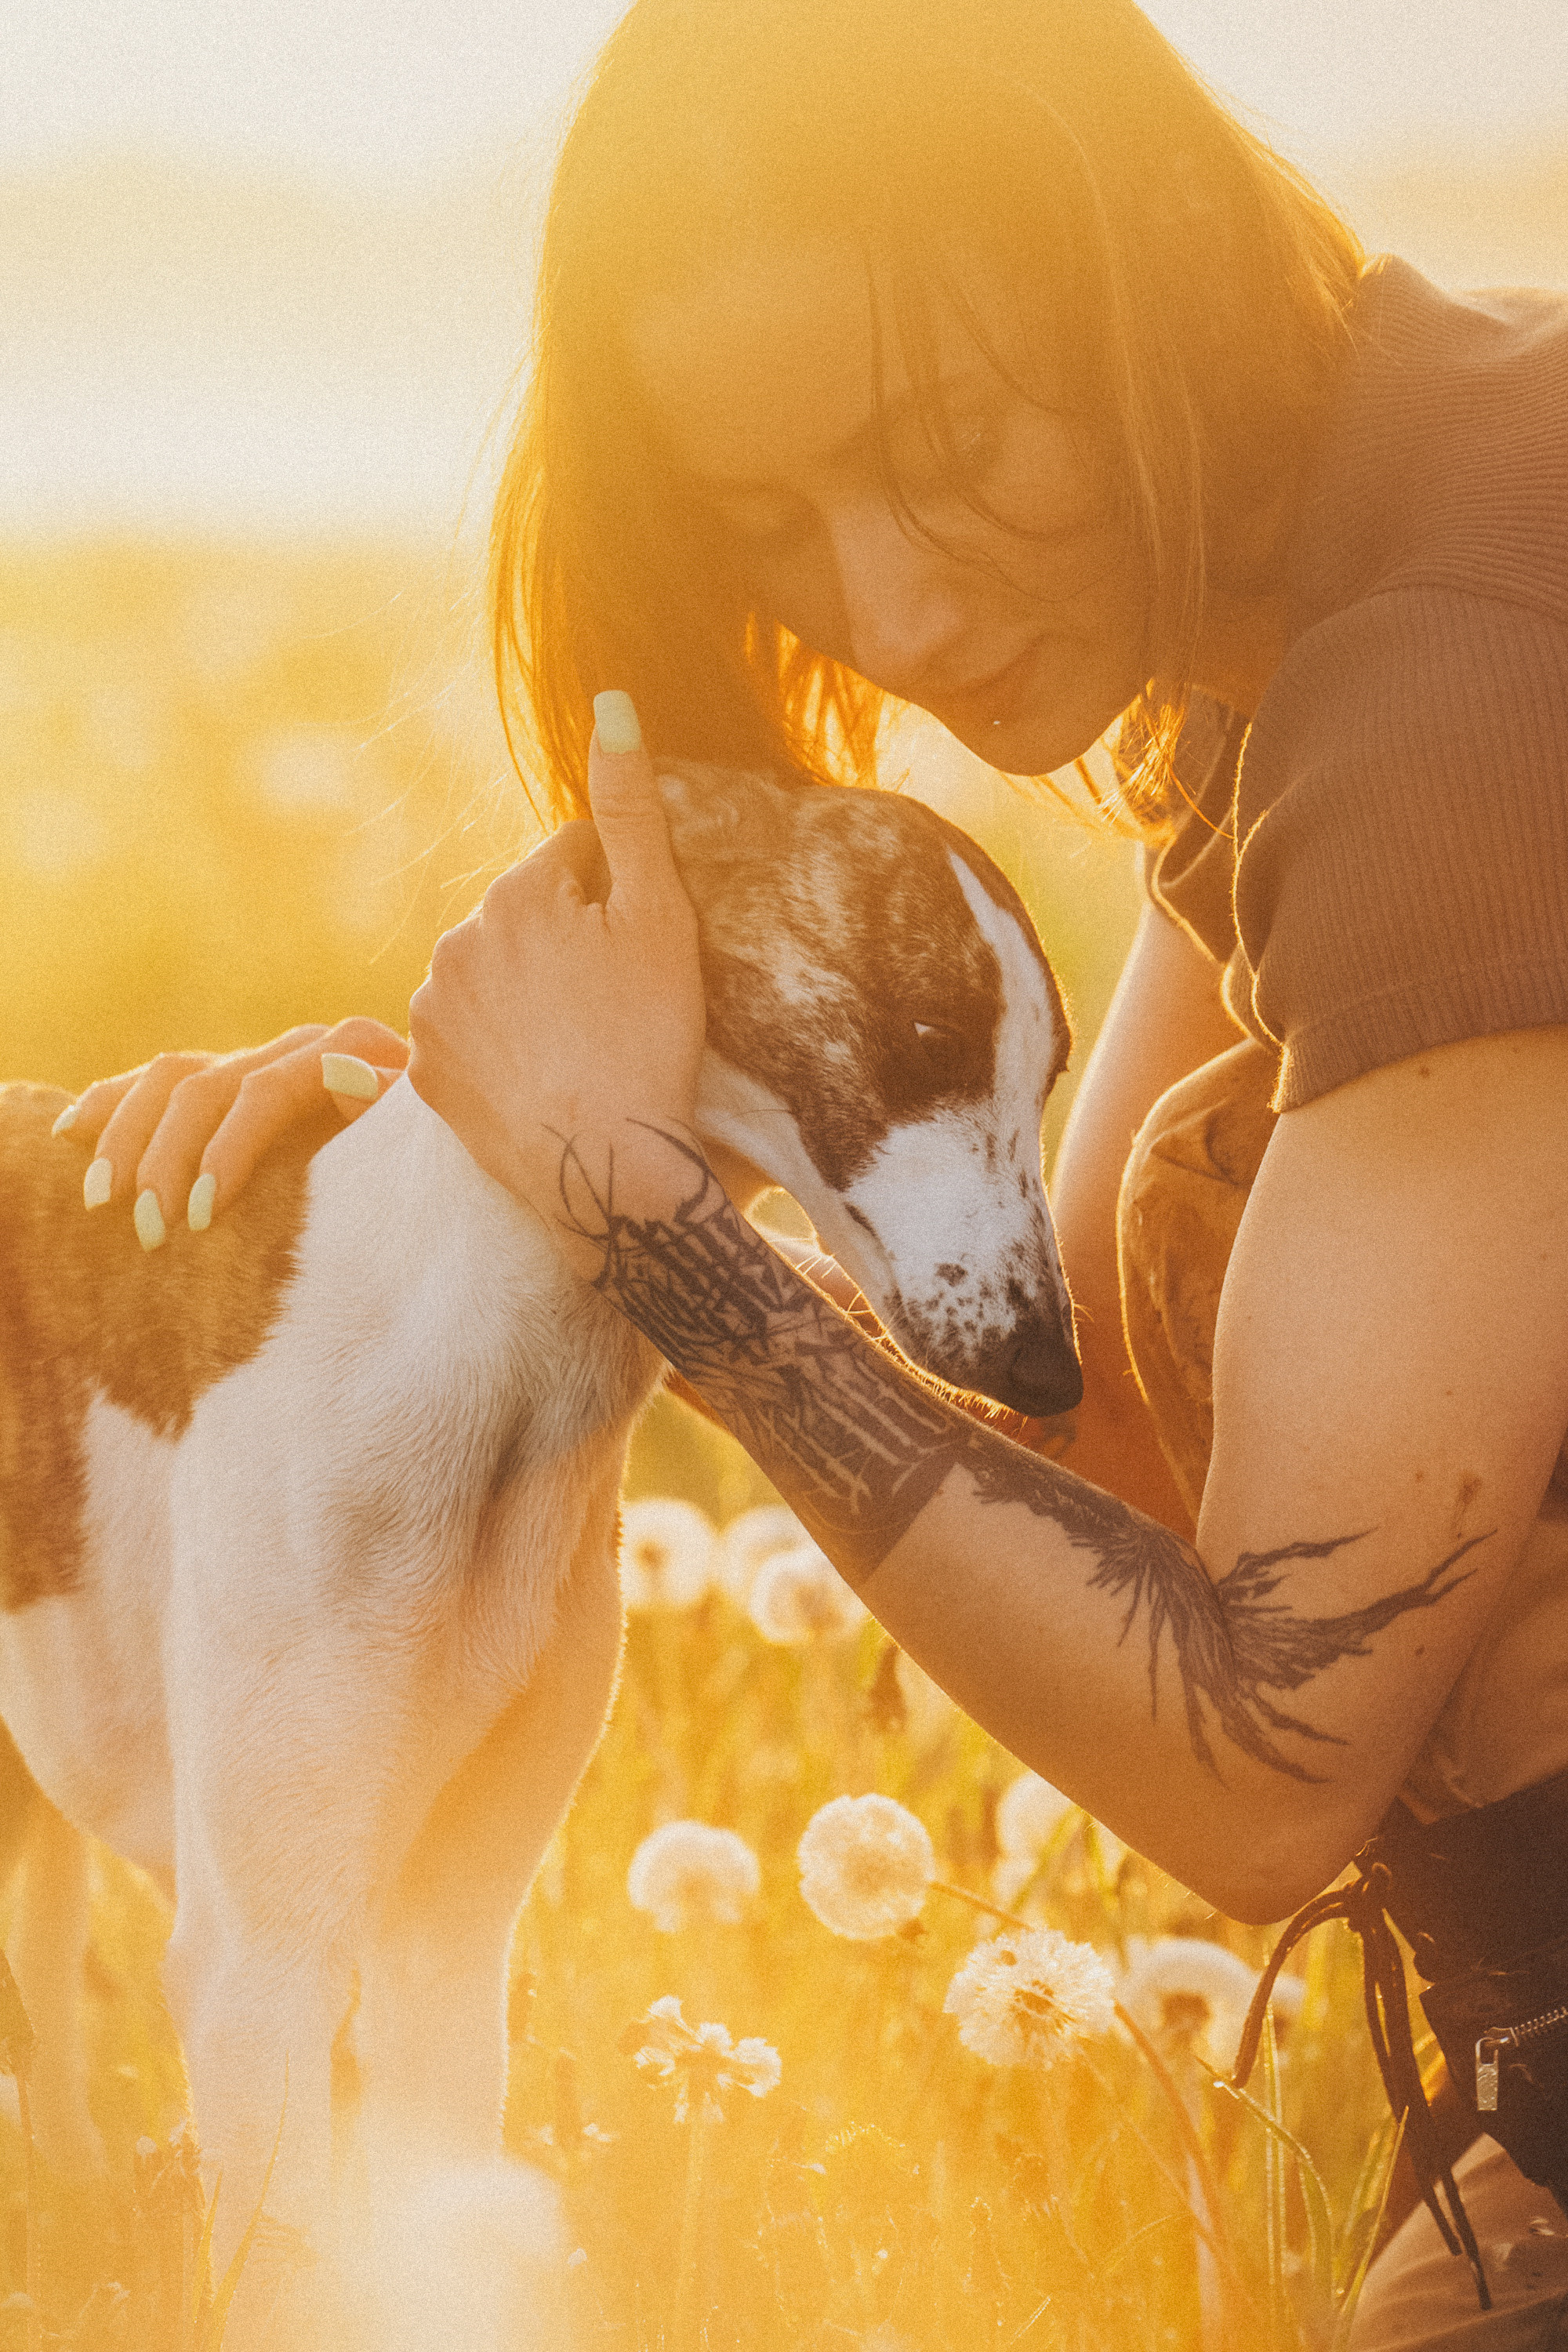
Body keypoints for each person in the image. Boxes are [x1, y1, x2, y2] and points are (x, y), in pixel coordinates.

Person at [53, 1, 1568, 2339]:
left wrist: (659, 1236)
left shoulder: (1459, 691)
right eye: (764, 520)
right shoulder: (1310, 605)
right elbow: (1127, 1453)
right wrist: (430, 1181)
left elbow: (1264, 1771)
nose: (892, 614)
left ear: (1153, 230)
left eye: (946, 443)